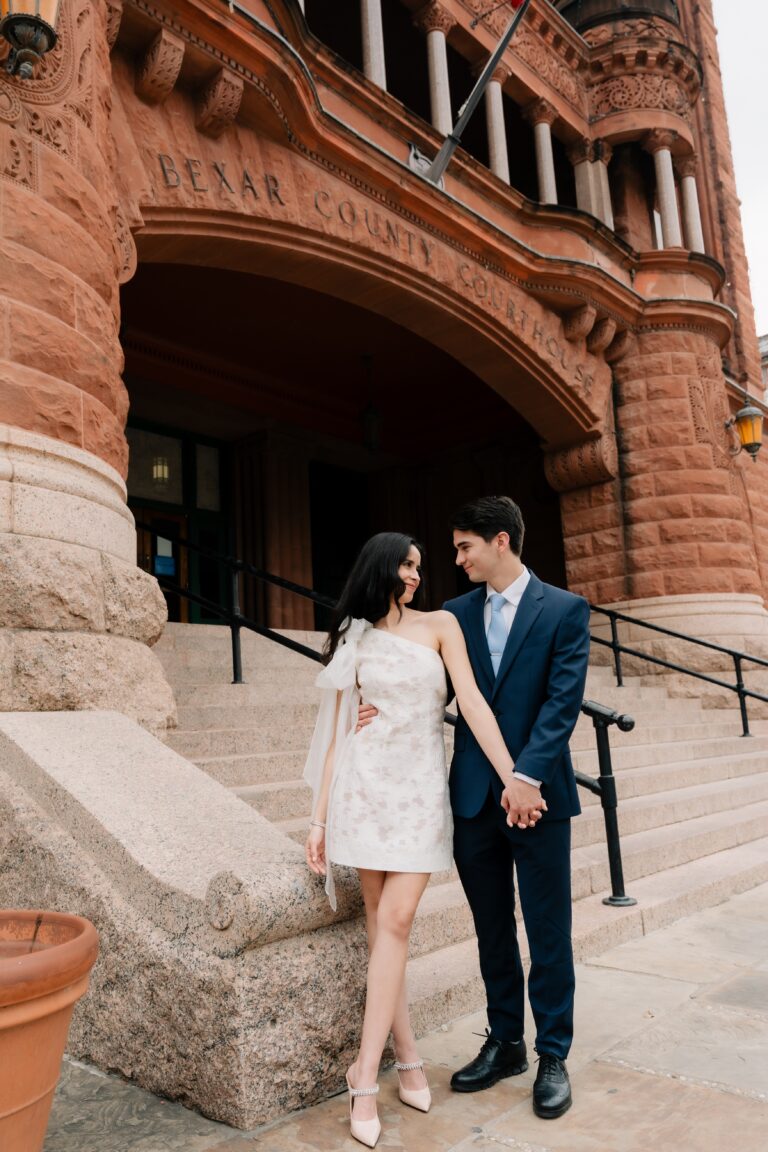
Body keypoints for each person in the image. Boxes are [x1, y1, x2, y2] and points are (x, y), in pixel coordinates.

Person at [304, 531, 545, 1148]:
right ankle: (405, 1055)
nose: (416, 575)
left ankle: (363, 1074)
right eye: (407, 566)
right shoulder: (355, 636)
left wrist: (513, 776)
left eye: (418, 567)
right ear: (382, 567)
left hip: (418, 793)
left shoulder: (441, 625)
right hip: (364, 788)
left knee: (398, 921)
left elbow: (474, 705)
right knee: (381, 925)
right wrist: (319, 819)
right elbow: (336, 733)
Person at [359, 496, 590, 1120]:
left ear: (501, 541)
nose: (456, 559)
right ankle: (506, 1041)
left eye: (465, 547)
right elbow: (419, 684)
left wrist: (526, 778)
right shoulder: (453, 615)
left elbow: (562, 703)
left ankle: (553, 1054)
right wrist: (372, 708)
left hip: (538, 797)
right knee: (491, 929)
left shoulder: (564, 609)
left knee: (547, 930)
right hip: (470, 798)